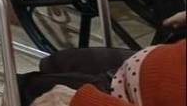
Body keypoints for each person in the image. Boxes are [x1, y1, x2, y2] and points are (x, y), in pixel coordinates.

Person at [20, 11, 185, 106]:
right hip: (149, 66)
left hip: (124, 96)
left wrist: (88, 102)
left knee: (24, 88)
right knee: (57, 61)